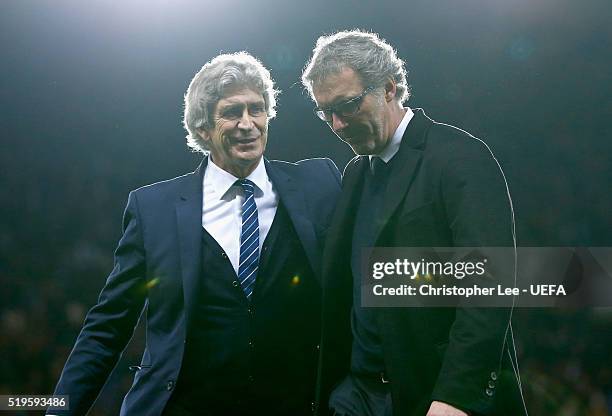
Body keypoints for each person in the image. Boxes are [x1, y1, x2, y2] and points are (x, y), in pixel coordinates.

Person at [49, 52, 341, 416]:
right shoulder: (152, 208)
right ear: (202, 127)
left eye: (257, 109)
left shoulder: (319, 184)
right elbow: (108, 326)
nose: (248, 123)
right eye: (233, 112)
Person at [302, 31, 523, 416]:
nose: (337, 125)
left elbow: (491, 287)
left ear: (389, 88)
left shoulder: (459, 157)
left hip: (430, 395)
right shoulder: (355, 173)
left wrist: (457, 397)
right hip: (356, 394)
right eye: (326, 113)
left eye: (348, 106)